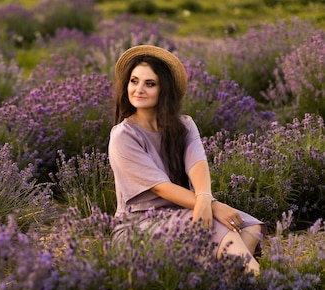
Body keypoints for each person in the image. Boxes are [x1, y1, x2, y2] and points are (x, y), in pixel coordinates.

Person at [108, 45, 265, 274]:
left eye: (149, 83)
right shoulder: (124, 135)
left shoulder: (184, 125)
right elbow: (161, 188)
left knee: (250, 227)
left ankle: (218, 284)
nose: (138, 89)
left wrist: (204, 198)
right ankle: (254, 286)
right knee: (223, 230)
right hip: (139, 225)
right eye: (134, 81)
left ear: (165, 90)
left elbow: (197, 164)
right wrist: (211, 206)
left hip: (183, 210)